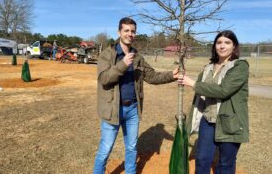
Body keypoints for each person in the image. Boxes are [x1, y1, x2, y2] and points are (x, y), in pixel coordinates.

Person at [93, 17, 179, 174]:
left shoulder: (137, 57)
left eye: (133, 31)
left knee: (132, 147)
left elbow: (151, 76)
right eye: (126, 30)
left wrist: (171, 75)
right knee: (105, 149)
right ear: (119, 32)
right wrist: (123, 64)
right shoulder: (107, 54)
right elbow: (104, 79)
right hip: (113, 110)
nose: (130, 34)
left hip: (132, 109)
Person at [178, 30, 249, 174]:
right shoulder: (208, 68)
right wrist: (184, 75)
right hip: (208, 120)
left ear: (234, 46)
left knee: (225, 164)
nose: (222, 46)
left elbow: (224, 90)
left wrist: (193, 84)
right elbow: (201, 88)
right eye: (219, 42)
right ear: (215, 46)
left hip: (230, 121)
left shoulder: (240, 66)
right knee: (202, 159)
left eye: (227, 43)